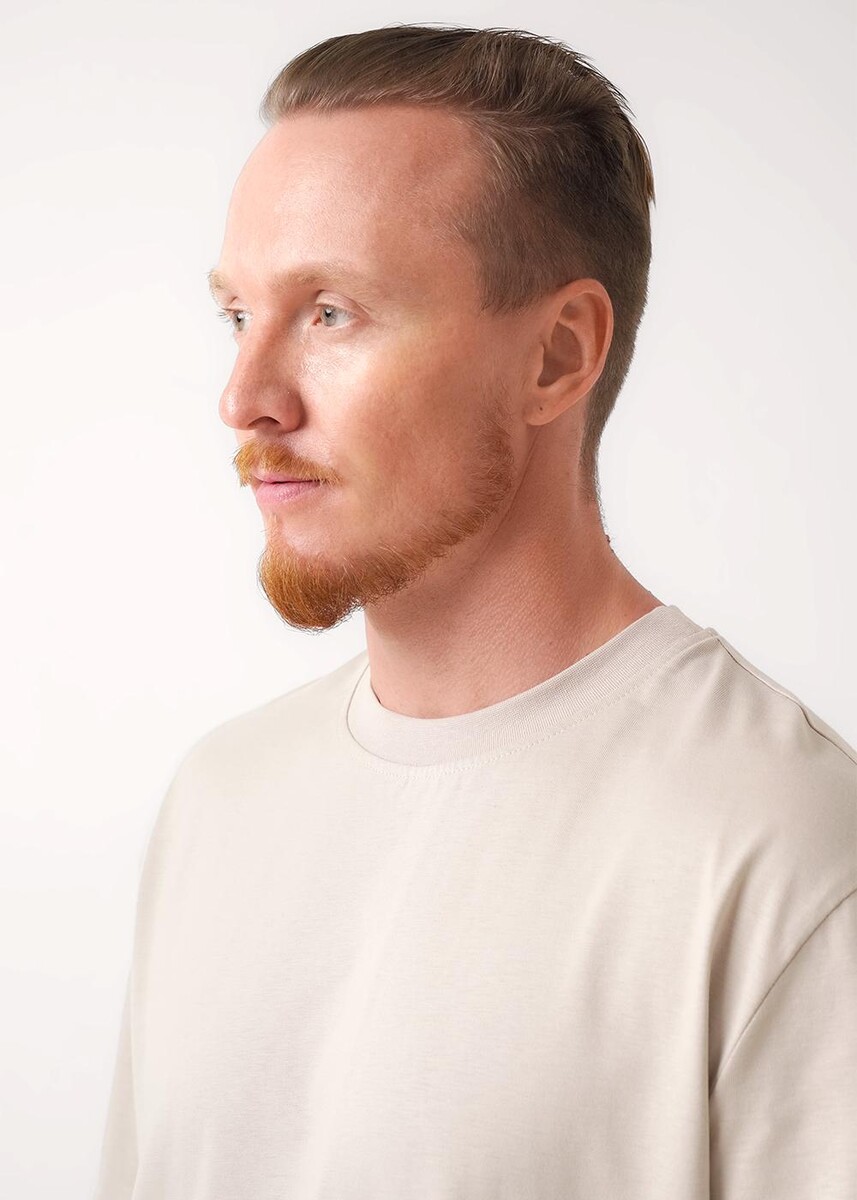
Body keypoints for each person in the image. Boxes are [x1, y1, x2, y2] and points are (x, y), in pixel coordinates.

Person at [93, 24, 856, 1200]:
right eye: (238, 315)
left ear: (556, 355)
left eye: (331, 311)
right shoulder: (218, 800)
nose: (245, 398)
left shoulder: (775, 844)